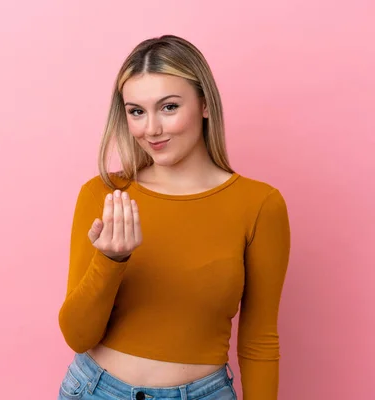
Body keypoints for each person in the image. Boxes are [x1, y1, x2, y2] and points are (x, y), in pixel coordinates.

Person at [57, 34, 291, 400]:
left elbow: (259, 340)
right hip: (96, 391)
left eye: (168, 107)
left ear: (204, 105)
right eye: (137, 111)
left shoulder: (259, 204)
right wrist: (111, 259)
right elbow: (77, 336)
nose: (151, 129)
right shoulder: (104, 194)